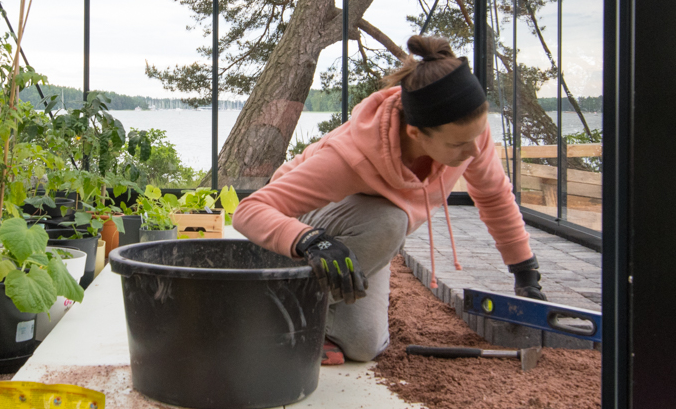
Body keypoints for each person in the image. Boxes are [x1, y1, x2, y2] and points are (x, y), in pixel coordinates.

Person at [232, 35, 546, 364]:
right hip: (301, 232)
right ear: (416, 133)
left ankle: (313, 316)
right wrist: (310, 241)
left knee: (363, 345)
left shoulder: (468, 136)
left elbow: (494, 195)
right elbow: (249, 211)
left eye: (476, 136)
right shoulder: (350, 155)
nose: (474, 151)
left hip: (361, 235)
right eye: (458, 145)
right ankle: (270, 310)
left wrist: (525, 274)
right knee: (389, 220)